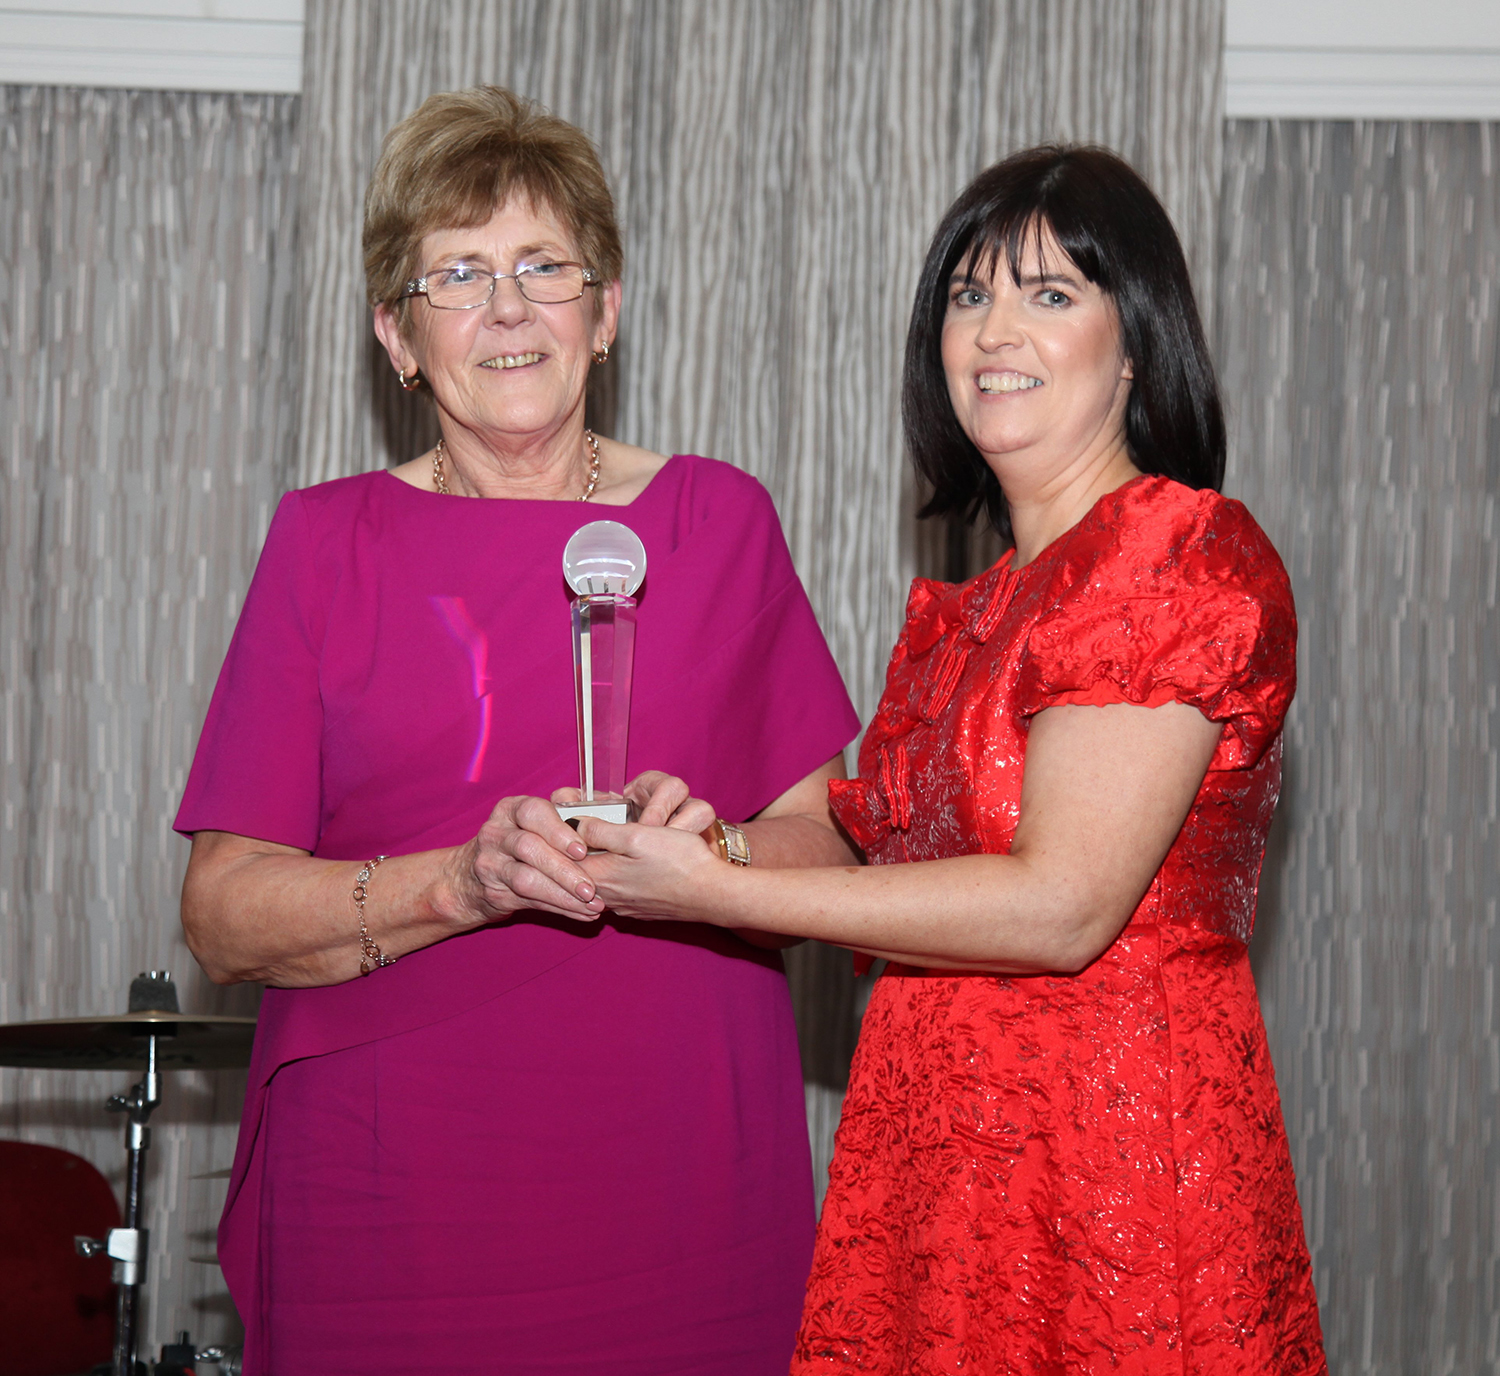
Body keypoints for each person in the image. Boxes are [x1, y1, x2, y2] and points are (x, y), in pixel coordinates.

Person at [578, 146, 1328, 1374]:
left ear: (1135, 346)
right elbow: (860, 849)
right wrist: (702, 837)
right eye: (969, 295)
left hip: (1111, 1174)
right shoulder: (970, 613)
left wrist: (716, 887)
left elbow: (1061, 905)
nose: (994, 329)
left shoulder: (1175, 555)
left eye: (1050, 292)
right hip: (934, 1170)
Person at [175, 86, 859, 1375]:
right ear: (397, 334)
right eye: (458, 273)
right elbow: (221, 912)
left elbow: (830, 850)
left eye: (545, 265)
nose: (507, 307)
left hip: (681, 1183)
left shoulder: (720, 523)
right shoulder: (323, 544)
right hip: (389, 1194)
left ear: (605, 312)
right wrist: (460, 882)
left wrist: (715, 852)